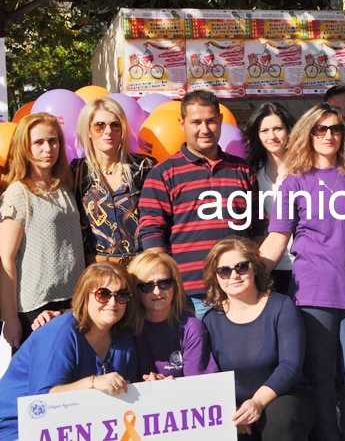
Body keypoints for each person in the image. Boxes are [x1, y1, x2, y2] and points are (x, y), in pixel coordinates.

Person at [260, 103, 345, 441]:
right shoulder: (294, 183)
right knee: (321, 377)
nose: (328, 135)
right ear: (308, 133)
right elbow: (277, 238)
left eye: (335, 128)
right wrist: (247, 275)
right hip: (313, 293)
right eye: (320, 128)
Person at [138, 90, 260, 318]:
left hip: (239, 291)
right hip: (191, 298)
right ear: (182, 123)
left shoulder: (243, 170)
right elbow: (152, 235)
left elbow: (256, 229)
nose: (205, 129)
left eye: (211, 121)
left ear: (220, 120)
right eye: (196, 122)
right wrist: (166, 287)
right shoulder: (163, 174)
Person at [0, 262, 140, 440]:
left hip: (78, 425)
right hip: (20, 426)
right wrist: (93, 383)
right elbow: (42, 401)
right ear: (85, 296)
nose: (113, 302)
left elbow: (127, 392)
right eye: (103, 294)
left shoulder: (122, 337)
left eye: (122, 295)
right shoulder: (60, 332)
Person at [202, 237, 311, 441]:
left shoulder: (281, 306)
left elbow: (290, 366)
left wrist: (257, 403)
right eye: (224, 271)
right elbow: (211, 374)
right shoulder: (210, 320)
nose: (234, 275)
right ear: (215, 277)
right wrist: (231, 408)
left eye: (241, 267)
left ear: (254, 268)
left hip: (279, 396)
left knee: (281, 419)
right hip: (237, 406)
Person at [0, 113, 85, 347]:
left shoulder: (64, 187)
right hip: (35, 308)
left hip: (73, 301)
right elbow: (5, 259)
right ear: (24, 147)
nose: (48, 148)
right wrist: (10, 318)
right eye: (38, 142)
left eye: (53, 141)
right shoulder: (19, 193)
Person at [72, 97, 156, 266]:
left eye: (115, 125)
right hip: (97, 270)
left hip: (141, 267)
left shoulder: (143, 167)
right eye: (99, 125)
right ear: (88, 131)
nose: (108, 131)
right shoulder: (77, 172)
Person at [128, 249, 217, 378]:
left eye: (164, 283)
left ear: (175, 285)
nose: (157, 292)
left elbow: (199, 382)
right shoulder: (126, 329)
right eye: (147, 286)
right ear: (135, 290)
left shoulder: (191, 328)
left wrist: (170, 385)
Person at [243, 102, 295, 294]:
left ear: (289, 130)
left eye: (278, 128)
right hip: (267, 266)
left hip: (304, 265)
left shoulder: (306, 172)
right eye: (264, 130)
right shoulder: (252, 175)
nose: (271, 136)